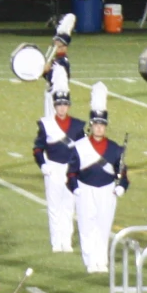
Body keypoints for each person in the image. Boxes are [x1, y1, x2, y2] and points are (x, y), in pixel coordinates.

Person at [69, 84, 129, 274]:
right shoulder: (80, 146)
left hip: (107, 190)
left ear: (105, 126)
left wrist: (122, 187)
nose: (98, 128)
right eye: (95, 124)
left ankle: (101, 261)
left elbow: (123, 173)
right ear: (91, 125)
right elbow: (71, 171)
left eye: (101, 125)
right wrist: (75, 187)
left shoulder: (114, 148)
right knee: (87, 226)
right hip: (85, 189)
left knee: (103, 227)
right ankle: (89, 261)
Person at [34, 72, 86, 254]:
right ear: (54, 105)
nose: (62, 108)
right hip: (53, 168)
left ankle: (67, 241)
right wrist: (43, 165)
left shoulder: (78, 126)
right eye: (59, 104)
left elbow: (82, 149)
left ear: (68, 106)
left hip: (70, 169)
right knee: (54, 206)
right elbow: (38, 148)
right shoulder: (46, 124)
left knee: (69, 206)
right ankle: (56, 241)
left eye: (65, 104)